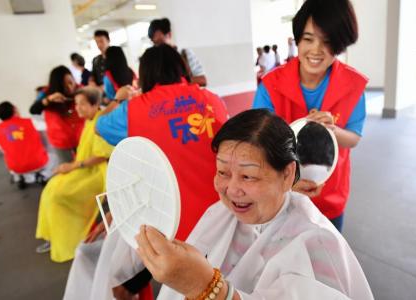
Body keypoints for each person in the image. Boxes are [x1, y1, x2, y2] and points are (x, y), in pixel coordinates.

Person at [105, 109, 374, 299]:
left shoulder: (315, 245)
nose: (231, 189)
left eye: (248, 176)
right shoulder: (220, 214)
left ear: (288, 174)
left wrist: (205, 287)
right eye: (222, 172)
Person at [63, 44, 228, 300]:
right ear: (181, 68)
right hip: (221, 216)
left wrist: (119, 98)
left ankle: (130, 288)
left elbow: (99, 127)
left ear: (145, 73)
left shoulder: (134, 109)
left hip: (167, 219)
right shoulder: (211, 100)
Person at [252, 0, 368, 232]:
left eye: (327, 42)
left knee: (327, 262)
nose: (316, 50)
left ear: (340, 44)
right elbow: (257, 142)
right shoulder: (272, 85)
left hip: (330, 193)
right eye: (308, 39)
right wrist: (284, 184)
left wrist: (332, 131)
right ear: (297, 39)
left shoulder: (353, 85)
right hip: (280, 194)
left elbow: (354, 137)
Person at [35, 87, 114, 263]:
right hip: (83, 169)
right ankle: (55, 237)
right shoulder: (89, 120)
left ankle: (71, 238)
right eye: (76, 104)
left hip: (97, 173)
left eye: (82, 104)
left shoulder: (100, 122)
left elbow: (102, 155)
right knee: (50, 189)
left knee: (58, 195)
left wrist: (71, 166)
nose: (77, 108)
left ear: (94, 104)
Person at [30, 66, 84, 164]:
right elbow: (33, 110)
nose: (70, 87)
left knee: (84, 165)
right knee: (67, 168)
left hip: (81, 137)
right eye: (64, 85)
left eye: (71, 82)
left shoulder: (81, 90)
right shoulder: (46, 93)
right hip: (60, 140)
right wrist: (49, 99)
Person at [0, 101, 48, 189]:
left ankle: (20, 177)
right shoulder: (31, 122)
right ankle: (39, 175)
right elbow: (48, 126)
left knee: (9, 155)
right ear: (14, 110)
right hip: (38, 162)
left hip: (15, 167)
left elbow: (3, 149)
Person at [148, 18, 207, 87]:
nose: (157, 46)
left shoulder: (184, 54)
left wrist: (178, 82)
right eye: (154, 43)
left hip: (185, 96)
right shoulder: (154, 60)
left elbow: (202, 80)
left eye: (160, 42)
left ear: (169, 35)